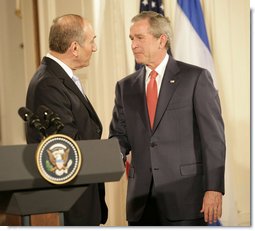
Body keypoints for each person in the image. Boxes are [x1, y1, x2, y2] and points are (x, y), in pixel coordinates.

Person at [109, 11, 226, 226]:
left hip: (185, 198)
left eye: (140, 38)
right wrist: (110, 155)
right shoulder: (125, 87)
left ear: (162, 40)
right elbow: (119, 135)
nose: (133, 45)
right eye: (131, 39)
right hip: (141, 201)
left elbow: (213, 139)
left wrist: (214, 188)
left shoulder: (195, 78)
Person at [25, 14, 108, 226]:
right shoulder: (48, 84)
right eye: (92, 41)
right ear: (74, 48)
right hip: (72, 202)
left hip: (81, 196)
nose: (95, 48)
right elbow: (65, 146)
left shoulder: (58, 78)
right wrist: (108, 155)